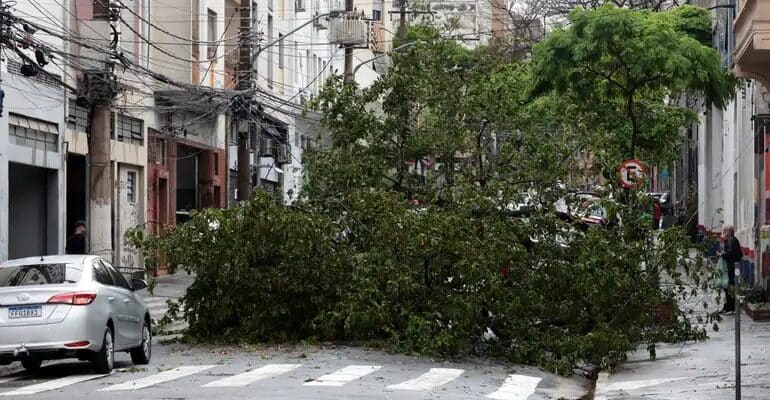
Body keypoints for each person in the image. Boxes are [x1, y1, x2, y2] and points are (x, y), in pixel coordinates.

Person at [720, 224, 742, 314]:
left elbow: (731, 254)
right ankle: (728, 306)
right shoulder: (731, 240)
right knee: (728, 287)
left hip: (731, 268)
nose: (723, 232)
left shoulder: (731, 240)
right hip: (731, 267)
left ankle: (730, 307)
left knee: (729, 287)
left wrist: (722, 254)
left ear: (729, 231)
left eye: (725, 230)